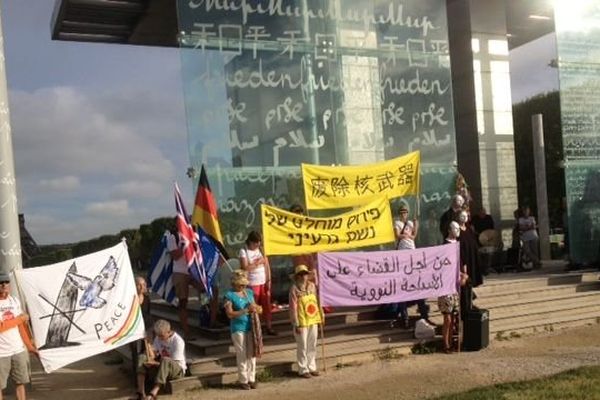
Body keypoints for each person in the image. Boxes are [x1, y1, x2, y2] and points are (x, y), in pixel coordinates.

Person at [393, 204, 433, 328]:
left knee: (417, 284)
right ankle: (404, 316)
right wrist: (407, 235)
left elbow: (414, 236)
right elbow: (398, 235)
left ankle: (424, 315)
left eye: (405, 211)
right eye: (402, 211)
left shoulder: (410, 223)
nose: (404, 213)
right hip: (402, 253)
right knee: (402, 286)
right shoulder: (397, 223)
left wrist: (416, 225)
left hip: (412, 251)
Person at [0, 272, 37, 400]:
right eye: (0, 283)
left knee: (20, 383)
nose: (3, 285)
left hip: (18, 350)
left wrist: (30, 347)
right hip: (1, 353)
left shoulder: (14, 301)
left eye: (6, 282)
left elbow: (21, 328)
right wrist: (20, 319)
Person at [224, 270, 260, 390]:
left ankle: (252, 378)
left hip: (251, 326)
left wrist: (256, 309)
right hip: (238, 328)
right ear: (234, 284)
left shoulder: (249, 293)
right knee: (242, 354)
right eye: (240, 284)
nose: (242, 286)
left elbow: (257, 308)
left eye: (244, 284)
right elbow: (229, 314)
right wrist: (244, 311)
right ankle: (243, 379)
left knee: (251, 353)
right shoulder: (229, 295)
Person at [135, 319, 186, 400]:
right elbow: (153, 355)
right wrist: (148, 344)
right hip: (162, 365)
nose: (160, 338)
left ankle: (154, 393)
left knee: (165, 360)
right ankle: (141, 392)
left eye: (162, 336)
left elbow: (172, 362)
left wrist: (155, 363)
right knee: (142, 357)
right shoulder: (158, 338)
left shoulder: (178, 341)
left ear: (169, 332)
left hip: (177, 370)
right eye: (158, 335)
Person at [239, 231, 277, 336]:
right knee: (254, 306)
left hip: (263, 281)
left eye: (259, 242)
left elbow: (267, 265)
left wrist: (268, 280)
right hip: (252, 282)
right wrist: (257, 263)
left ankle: (269, 327)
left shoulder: (261, 250)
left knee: (267, 305)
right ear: (251, 242)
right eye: (256, 242)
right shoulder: (244, 251)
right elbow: (245, 268)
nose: (258, 245)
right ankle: (255, 328)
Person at [438, 222, 467, 353]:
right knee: (447, 318)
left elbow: (460, 263)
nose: (457, 231)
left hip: (455, 286)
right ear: (449, 230)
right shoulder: (444, 245)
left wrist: (463, 275)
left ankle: (452, 342)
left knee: (454, 317)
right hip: (446, 286)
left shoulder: (458, 244)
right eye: (454, 228)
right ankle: (445, 344)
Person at [166, 230, 201, 340]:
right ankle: (186, 332)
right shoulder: (173, 237)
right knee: (183, 302)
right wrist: (184, 246)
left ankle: (207, 318)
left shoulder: (194, 235)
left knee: (207, 291)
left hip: (194, 271)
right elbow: (175, 256)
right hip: (180, 272)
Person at [289, 264, 322, 379]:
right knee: (302, 345)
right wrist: (296, 323)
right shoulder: (294, 289)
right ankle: (303, 369)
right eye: (301, 274)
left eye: (305, 274)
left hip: (312, 319)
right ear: (297, 276)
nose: (303, 276)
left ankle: (312, 367)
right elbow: (293, 308)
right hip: (301, 321)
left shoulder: (312, 286)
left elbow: (317, 301)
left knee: (312, 344)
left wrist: (321, 316)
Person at [457, 210, 482, 318]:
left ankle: (470, 302)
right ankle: (467, 305)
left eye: (466, 216)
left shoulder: (469, 229)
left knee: (471, 281)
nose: (464, 217)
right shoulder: (457, 230)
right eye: (462, 216)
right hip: (463, 259)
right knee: (465, 282)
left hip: (471, 258)